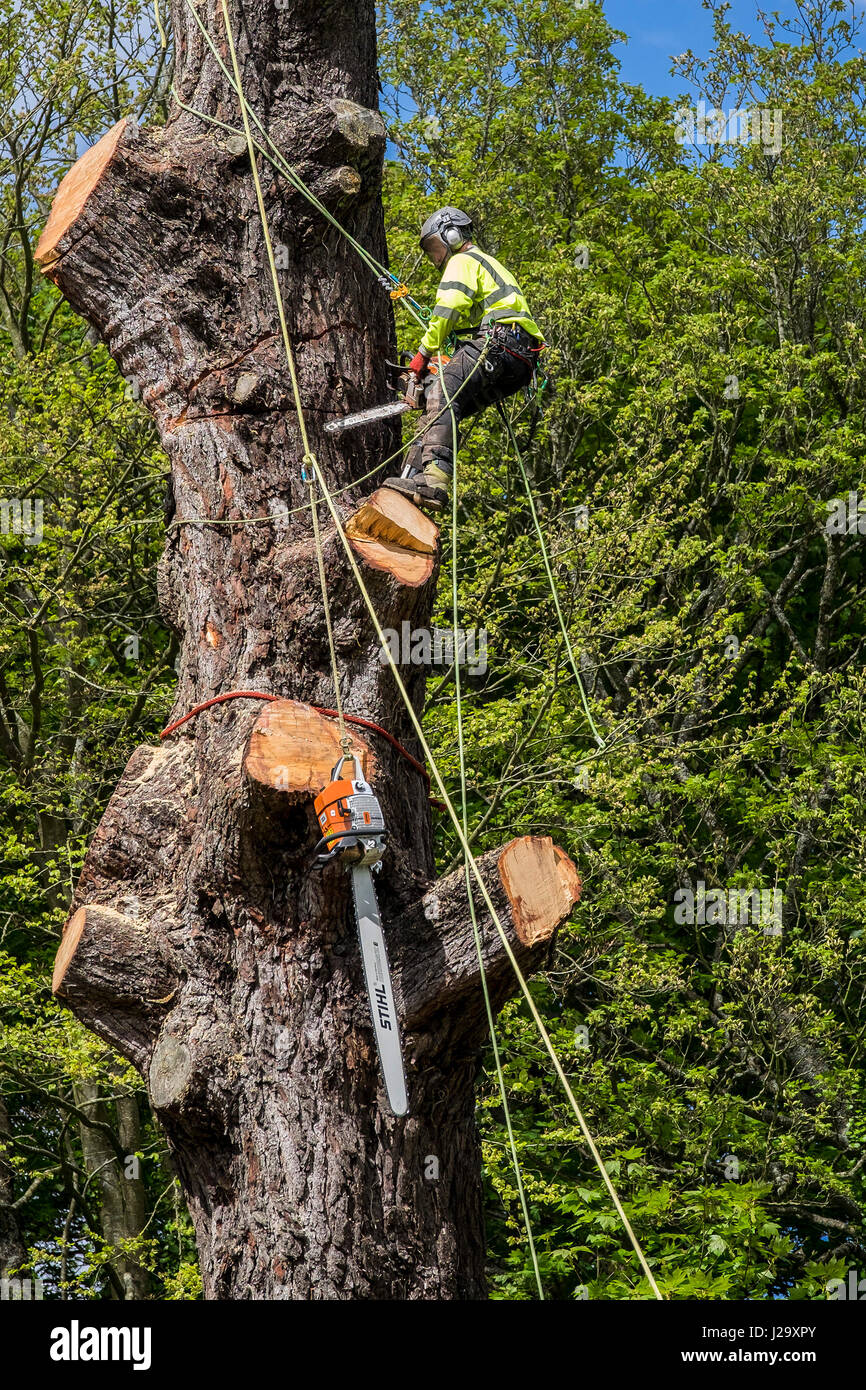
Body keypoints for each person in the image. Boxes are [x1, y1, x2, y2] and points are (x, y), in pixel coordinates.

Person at [382, 207, 544, 512]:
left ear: (452, 235)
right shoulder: (487, 265)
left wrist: (422, 356)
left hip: (501, 342)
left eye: (434, 247)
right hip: (519, 360)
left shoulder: (463, 260)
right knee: (438, 405)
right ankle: (414, 479)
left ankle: (434, 481)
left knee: (443, 388)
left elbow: (449, 307)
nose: (435, 257)